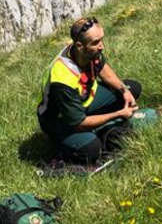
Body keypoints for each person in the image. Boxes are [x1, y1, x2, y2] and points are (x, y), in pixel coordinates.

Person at [36, 16, 143, 162]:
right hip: (63, 120)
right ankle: (65, 143)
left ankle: (100, 125)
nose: (102, 46)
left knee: (133, 88)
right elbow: (79, 123)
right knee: (92, 149)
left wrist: (124, 91)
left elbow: (103, 70)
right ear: (80, 45)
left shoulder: (89, 51)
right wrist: (119, 113)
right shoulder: (62, 79)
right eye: (96, 42)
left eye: (101, 40)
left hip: (86, 100)